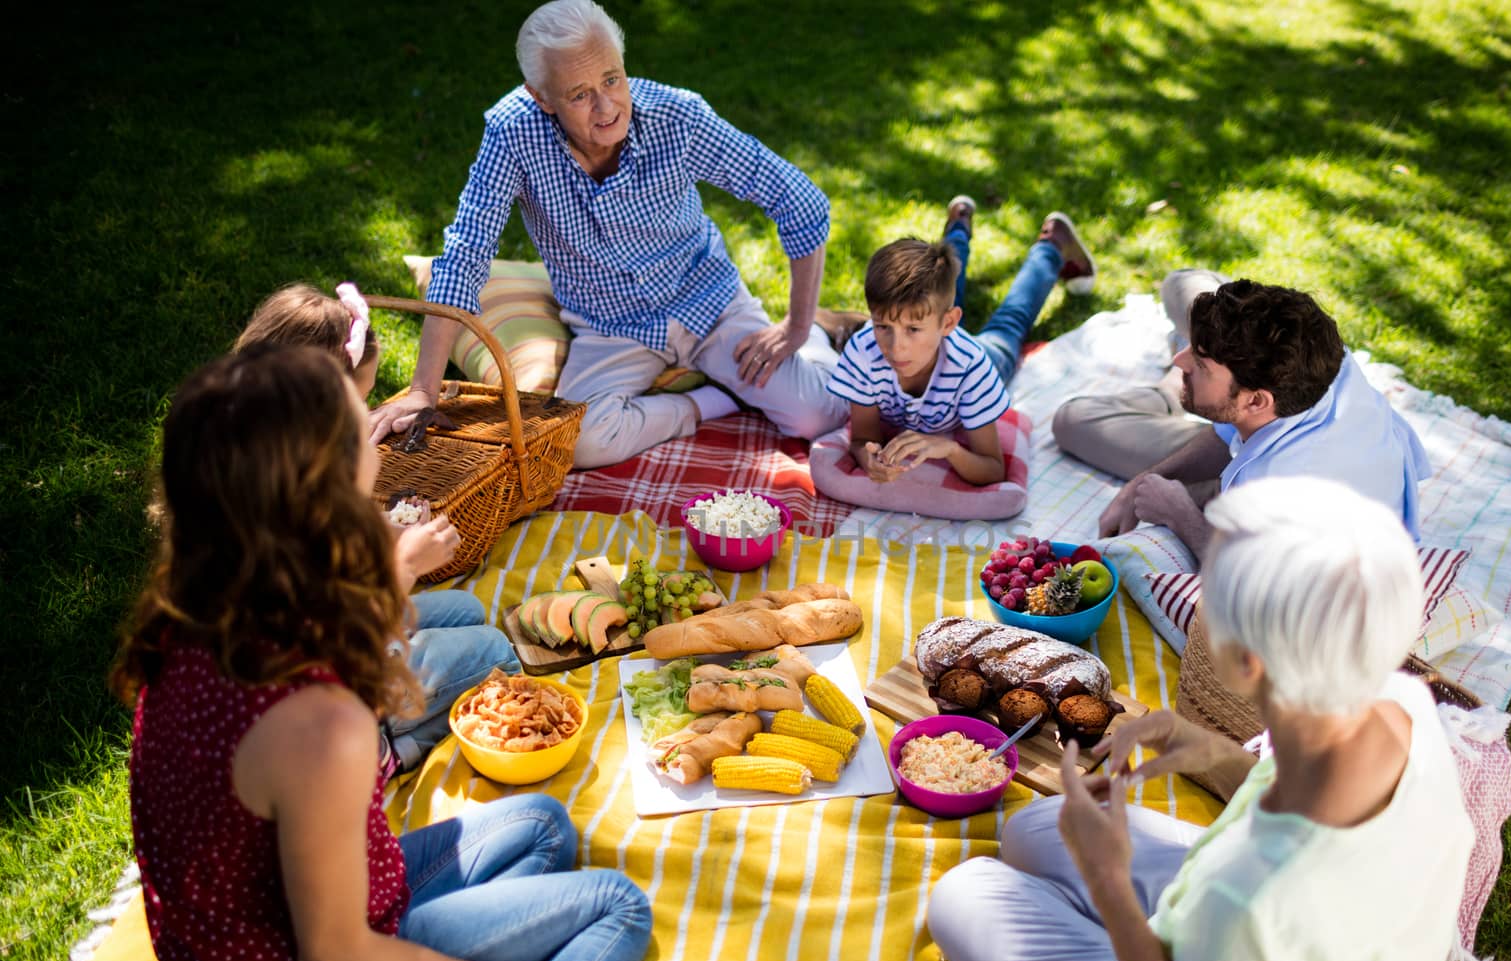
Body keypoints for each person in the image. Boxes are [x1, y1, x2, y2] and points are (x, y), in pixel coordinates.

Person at [116, 347, 652, 961]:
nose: (377, 428)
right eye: (359, 428)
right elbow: (334, 949)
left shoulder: (197, 612)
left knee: (542, 826)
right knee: (616, 902)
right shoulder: (317, 717)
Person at [928, 475, 1473, 961]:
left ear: (1245, 663)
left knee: (963, 890)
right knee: (1035, 827)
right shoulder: (1403, 704)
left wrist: (1109, 883)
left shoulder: (1249, 896)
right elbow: (1305, 802)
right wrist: (1210, 750)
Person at [369, 0, 852, 468]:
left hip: (707, 302)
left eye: (612, 79)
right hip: (608, 325)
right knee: (576, 442)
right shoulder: (512, 133)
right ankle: (710, 400)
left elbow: (800, 200)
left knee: (819, 415)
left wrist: (796, 326)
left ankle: (819, 335)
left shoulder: (677, 118)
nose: (606, 107)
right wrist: (421, 393)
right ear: (541, 97)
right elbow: (464, 259)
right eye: (579, 94)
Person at [234, 282, 521, 774]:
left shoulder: (275, 461)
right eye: (358, 403)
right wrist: (405, 565)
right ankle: (390, 752)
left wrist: (386, 529)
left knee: (467, 607)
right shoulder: (276, 511)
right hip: (327, 683)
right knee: (496, 651)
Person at [1053, 275, 1431, 554]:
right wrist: (1146, 479)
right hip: (1254, 441)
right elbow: (1228, 432)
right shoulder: (1318, 355)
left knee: (1073, 420)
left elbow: (1249, 588)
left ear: (1255, 402)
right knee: (1178, 285)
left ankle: (1170, 392)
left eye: (1198, 365)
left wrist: (1179, 513)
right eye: (1192, 354)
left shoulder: (1279, 494)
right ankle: (1182, 388)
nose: (1177, 358)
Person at [827, 198, 1094, 486]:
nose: (895, 347)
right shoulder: (863, 351)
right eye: (882, 326)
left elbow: (993, 469)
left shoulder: (971, 367)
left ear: (949, 323)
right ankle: (959, 224)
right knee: (941, 285)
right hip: (937, 331)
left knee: (1011, 321)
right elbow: (863, 438)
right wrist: (868, 459)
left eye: (912, 329)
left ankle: (1053, 245)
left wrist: (950, 449)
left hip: (983, 353)